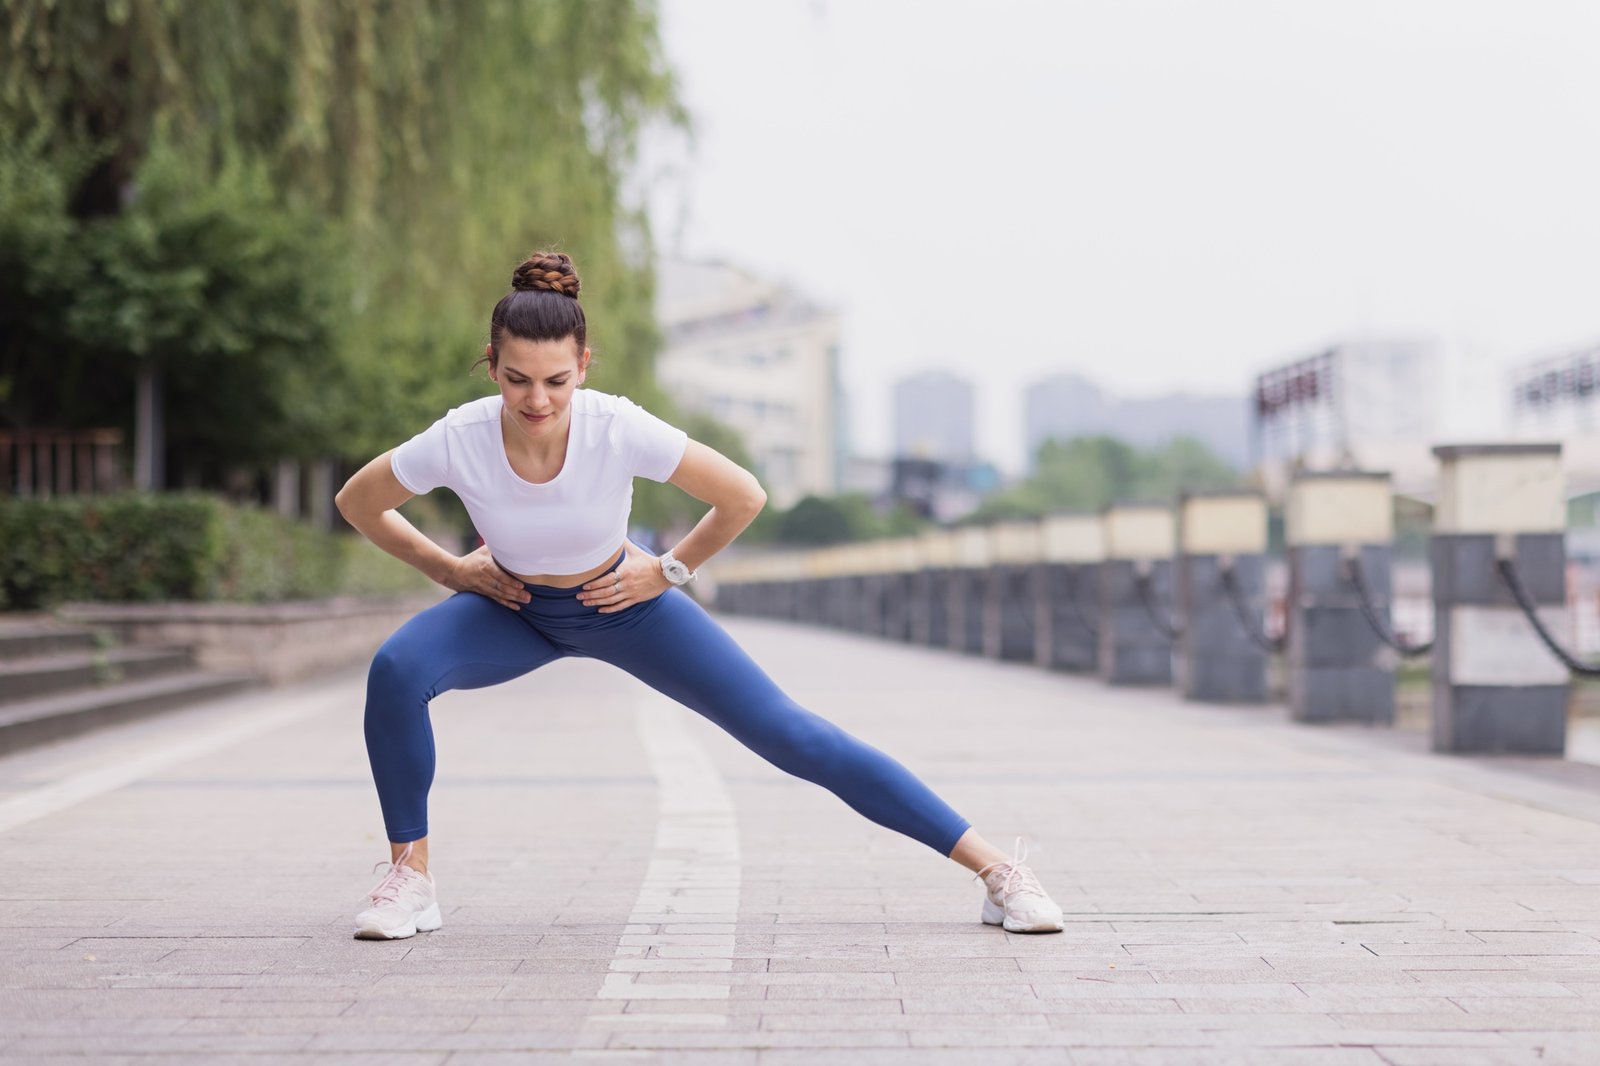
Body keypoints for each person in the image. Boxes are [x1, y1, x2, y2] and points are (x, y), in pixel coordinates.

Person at [334, 252, 1064, 940]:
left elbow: (742, 495)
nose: (537, 399)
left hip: (627, 607)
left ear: (583, 366)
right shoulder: (458, 437)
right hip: (513, 612)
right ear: (492, 364)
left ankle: (999, 870)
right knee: (397, 669)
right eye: (518, 378)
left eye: (556, 380)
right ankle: (411, 880)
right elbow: (360, 501)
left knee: (792, 735)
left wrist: (667, 572)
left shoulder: (616, 425)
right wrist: (450, 571)